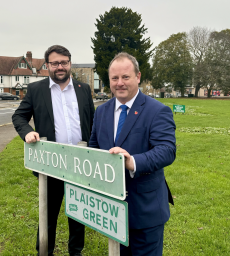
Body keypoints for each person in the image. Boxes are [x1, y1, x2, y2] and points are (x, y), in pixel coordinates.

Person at [89, 52, 176, 256]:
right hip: (111, 210)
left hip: (145, 211)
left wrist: (133, 162)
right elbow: (94, 148)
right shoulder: (101, 111)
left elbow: (167, 150)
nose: (120, 83)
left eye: (125, 77)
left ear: (138, 77)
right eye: (114, 78)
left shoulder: (157, 110)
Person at [12, 45, 95, 256]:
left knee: (78, 215)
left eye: (64, 62)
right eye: (55, 63)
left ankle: (75, 252)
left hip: (80, 163)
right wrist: (27, 132)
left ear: (70, 63)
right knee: (48, 215)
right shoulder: (36, 90)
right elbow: (19, 116)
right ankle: (45, 251)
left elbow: (92, 122)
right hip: (51, 164)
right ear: (47, 65)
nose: (60, 67)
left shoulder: (83, 89)